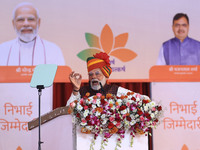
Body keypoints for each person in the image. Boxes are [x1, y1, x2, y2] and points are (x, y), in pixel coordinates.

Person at [66, 52, 145, 106]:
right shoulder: (82, 91)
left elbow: (143, 99)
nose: (93, 77)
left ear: (106, 76)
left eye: (97, 74)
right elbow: (68, 109)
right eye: (90, 74)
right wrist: (76, 90)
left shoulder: (115, 90)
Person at [0, 2, 65, 66]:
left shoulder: (53, 50)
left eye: (31, 19)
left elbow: (60, 76)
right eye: (20, 20)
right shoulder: (2, 50)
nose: (26, 24)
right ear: (13, 23)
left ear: (38, 22)